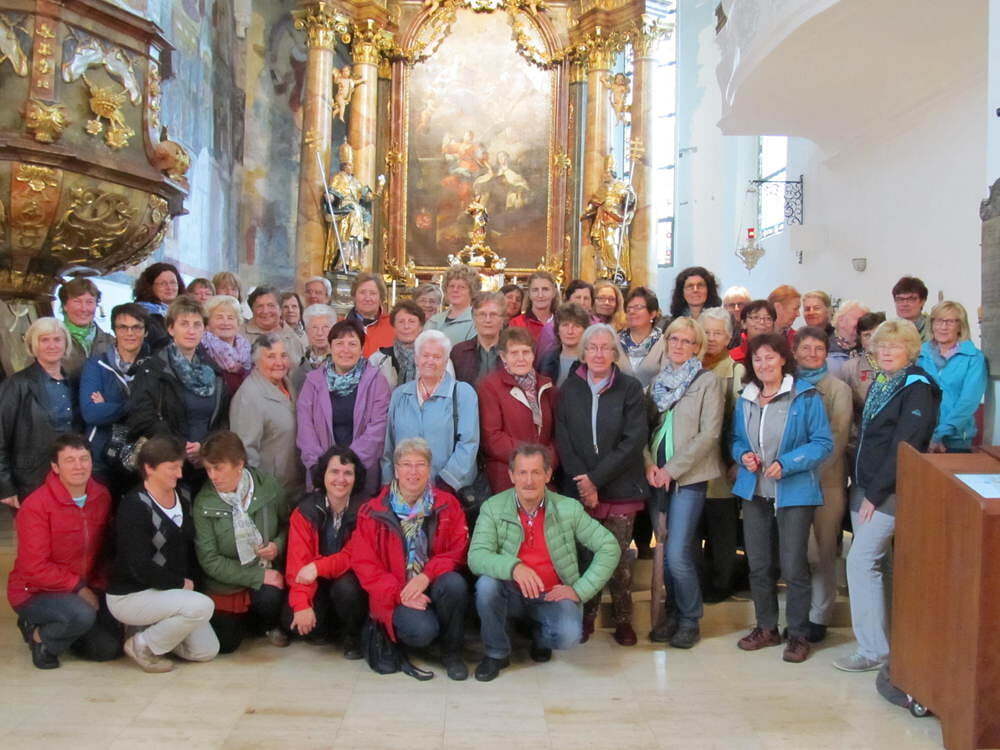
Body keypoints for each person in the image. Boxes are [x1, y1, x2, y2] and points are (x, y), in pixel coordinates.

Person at [833, 320, 939, 672]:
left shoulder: (917, 387)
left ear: (911, 350)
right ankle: (890, 644)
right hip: (864, 485)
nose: (887, 352)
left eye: (895, 346)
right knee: (878, 565)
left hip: (889, 490)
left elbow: (904, 446)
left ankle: (873, 650)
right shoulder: (883, 381)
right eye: (881, 346)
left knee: (860, 561)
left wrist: (875, 494)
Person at [469, 444, 620, 681]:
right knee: (487, 586)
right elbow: (476, 557)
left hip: (551, 595)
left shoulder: (568, 508)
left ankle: (538, 637)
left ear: (548, 475)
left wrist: (579, 590)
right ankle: (496, 653)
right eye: (522, 472)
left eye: (536, 472)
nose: (529, 481)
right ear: (511, 476)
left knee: (569, 635)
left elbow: (609, 547)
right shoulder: (493, 507)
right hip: (510, 594)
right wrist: (514, 567)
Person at [731, 333, 833, 664]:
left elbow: (823, 443)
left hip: (794, 491)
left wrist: (788, 463)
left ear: (783, 359)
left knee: (793, 566)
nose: (763, 364)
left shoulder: (805, 396)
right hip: (755, 491)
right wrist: (743, 455)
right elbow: (735, 440)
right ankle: (766, 628)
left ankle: (798, 633)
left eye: (769, 357)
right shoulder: (746, 397)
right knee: (759, 564)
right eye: (757, 359)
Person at [554, 323, 648, 646]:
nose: (598, 353)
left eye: (605, 347)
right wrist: (584, 482)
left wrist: (596, 479)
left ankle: (623, 619)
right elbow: (564, 438)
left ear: (614, 353)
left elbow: (633, 440)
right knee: (586, 556)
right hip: (580, 488)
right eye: (592, 347)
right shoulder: (569, 388)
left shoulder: (630, 388)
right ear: (583, 352)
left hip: (620, 487)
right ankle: (587, 617)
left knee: (617, 558)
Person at [352, 437, 470, 680]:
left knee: (454, 584)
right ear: (396, 470)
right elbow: (366, 566)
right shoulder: (373, 511)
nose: (413, 472)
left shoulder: (448, 504)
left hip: (431, 583)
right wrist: (400, 593)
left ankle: (452, 653)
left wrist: (426, 576)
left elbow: (458, 550)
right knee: (423, 631)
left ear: (429, 469)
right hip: (394, 593)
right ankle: (407, 635)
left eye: (420, 465)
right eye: (406, 465)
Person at [7, 435, 120, 669]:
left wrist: (98, 586)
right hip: (34, 592)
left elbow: (103, 550)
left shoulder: (101, 496)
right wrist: (78, 588)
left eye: (84, 459)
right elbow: (34, 567)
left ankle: (66, 628)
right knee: (81, 615)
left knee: (107, 649)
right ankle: (40, 638)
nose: (79, 466)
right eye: (69, 460)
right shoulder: (36, 506)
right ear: (55, 467)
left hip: (83, 587)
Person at [107, 437, 219, 672]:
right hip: (132, 594)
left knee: (206, 650)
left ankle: (150, 631)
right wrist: (180, 583)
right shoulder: (134, 506)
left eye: (180, 467)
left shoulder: (184, 496)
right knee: (202, 606)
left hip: (169, 594)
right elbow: (139, 565)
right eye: (172, 468)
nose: (179, 474)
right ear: (149, 468)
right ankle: (141, 644)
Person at [644, 317, 724, 649]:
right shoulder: (656, 383)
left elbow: (709, 434)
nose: (679, 345)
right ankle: (673, 614)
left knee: (678, 552)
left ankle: (691, 618)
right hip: (656, 479)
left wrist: (672, 470)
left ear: (697, 347)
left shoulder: (707, 382)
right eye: (674, 339)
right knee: (664, 549)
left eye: (687, 341)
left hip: (688, 478)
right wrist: (649, 465)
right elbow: (641, 430)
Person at [194, 431, 291, 653]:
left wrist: (277, 545)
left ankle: (268, 624)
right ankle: (246, 623)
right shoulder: (204, 502)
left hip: (265, 572)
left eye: (218, 468)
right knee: (226, 643)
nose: (212, 476)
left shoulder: (268, 487)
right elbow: (209, 560)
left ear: (239, 464)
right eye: (208, 469)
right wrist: (257, 576)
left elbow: (289, 525)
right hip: (226, 582)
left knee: (270, 597)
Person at [792, 327, 852, 644]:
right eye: (806, 348)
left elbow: (838, 437)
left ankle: (820, 615)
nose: (812, 354)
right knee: (799, 551)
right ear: (795, 352)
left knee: (824, 549)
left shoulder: (838, 389)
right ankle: (799, 613)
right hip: (791, 482)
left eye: (818, 349)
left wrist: (807, 470)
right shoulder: (788, 385)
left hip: (825, 481)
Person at [128, 296, 228, 482]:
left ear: (204, 329)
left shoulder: (214, 371)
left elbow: (221, 421)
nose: (191, 330)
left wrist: (205, 447)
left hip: (206, 463)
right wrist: (182, 445)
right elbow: (141, 418)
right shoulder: (153, 369)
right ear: (171, 328)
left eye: (197, 325)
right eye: (184, 324)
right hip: (166, 462)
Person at [284, 446, 368, 659]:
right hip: (317, 584)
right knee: (293, 618)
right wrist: (301, 605)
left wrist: (317, 566)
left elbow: (353, 556)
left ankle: (353, 636)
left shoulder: (366, 511)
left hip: (350, 584)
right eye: (334, 472)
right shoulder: (304, 511)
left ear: (356, 478)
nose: (341, 479)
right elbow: (297, 564)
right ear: (323, 475)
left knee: (347, 589)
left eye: (348, 473)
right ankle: (325, 629)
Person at [297, 320, 390, 498]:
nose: (345, 350)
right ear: (330, 347)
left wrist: (350, 464)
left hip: (362, 470)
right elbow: (305, 427)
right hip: (322, 473)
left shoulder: (377, 381)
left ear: (362, 349)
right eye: (339, 343)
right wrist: (321, 466)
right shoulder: (313, 382)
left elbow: (378, 427)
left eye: (352, 344)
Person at [382, 330, 479, 496]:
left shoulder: (463, 393)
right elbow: (389, 445)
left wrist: (447, 482)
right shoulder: (400, 395)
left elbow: (469, 443)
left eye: (437, 357)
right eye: (425, 355)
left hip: (448, 490)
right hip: (404, 490)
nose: (430, 361)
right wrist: (388, 484)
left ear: (446, 361)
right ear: (416, 358)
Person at [0, 318, 81, 508]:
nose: (52, 345)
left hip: (70, 478)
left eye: (57, 339)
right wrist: (5, 486)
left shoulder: (73, 383)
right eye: (44, 340)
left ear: (66, 344)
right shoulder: (17, 384)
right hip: (32, 481)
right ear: (33, 345)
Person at [698, 307, 745, 602]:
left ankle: (720, 585)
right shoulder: (688, 366)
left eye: (718, 333)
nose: (712, 338)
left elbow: (740, 419)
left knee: (721, 529)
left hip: (721, 464)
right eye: (707, 332)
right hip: (691, 466)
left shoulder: (736, 371)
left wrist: (737, 460)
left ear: (729, 337)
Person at [80, 303, 149, 492]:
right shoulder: (96, 364)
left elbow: (155, 411)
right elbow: (91, 413)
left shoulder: (155, 365)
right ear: (114, 331)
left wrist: (109, 405)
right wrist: (132, 406)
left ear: (146, 332)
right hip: (101, 456)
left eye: (136, 327)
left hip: (141, 455)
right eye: (123, 327)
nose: (130, 333)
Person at [478, 327, 556, 494]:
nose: (521, 358)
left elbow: (557, 434)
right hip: (507, 477)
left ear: (533, 355)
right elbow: (492, 438)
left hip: (543, 475)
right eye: (514, 353)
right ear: (503, 356)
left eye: (526, 352)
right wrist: (531, 459)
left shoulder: (546, 386)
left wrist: (548, 461)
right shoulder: (490, 386)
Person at [230, 334, 303, 491]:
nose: (279, 363)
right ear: (256, 361)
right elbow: (246, 450)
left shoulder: (288, 384)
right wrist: (260, 489)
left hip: (294, 484)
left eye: (283, 355)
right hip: (270, 489)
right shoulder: (248, 396)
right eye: (271, 356)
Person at [917, 300, 988, 453]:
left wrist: (940, 434)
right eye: (938, 321)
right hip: (920, 436)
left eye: (950, 322)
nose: (943, 327)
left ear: (960, 326)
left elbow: (968, 401)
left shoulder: (974, 358)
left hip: (956, 440)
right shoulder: (919, 354)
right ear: (932, 324)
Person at [59, 278, 114, 377]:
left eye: (89, 302)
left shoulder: (111, 342)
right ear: (64, 306)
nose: (84, 309)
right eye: (77, 301)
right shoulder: (51, 339)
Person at [200, 295, 252, 397]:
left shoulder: (248, 350)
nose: (225, 322)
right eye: (219, 317)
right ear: (208, 324)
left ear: (238, 323)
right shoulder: (201, 350)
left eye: (230, 318)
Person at [241, 286, 306, 365]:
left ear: (280, 309)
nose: (265, 311)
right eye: (260, 306)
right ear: (252, 310)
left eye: (271, 305)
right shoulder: (238, 335)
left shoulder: (293, 338)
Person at [618, 286, 667, 388]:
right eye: (629, 308)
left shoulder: (664, 343)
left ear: (652, 314)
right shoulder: (615, 341)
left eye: (638, 307)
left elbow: (667, 379)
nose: (632, 312)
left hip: (653, 397)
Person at [838, 311, 886, 417]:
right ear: (860, 339)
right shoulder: (850, 368)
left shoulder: (897, 363)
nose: (873, 339)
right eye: (867, 335)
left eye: (877, 334)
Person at [451, 292, 504, 385]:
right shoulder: (459, 352)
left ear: (502, 320)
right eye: (482, 314)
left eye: (493, 314)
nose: (488, 320)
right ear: (474, 319)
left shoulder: (513, 351)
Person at [134, 262, 186, 351]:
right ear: (149, 286)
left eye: (173, 283)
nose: (169, 287)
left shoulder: (185, 312)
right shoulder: (143, 314)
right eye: (163, 283)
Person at [343, 272, 395, 357]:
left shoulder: (393, 325)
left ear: (381, 298)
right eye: (362, 292)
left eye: (373, 293)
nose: (367, 298)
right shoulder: (340, 326)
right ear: (354, 296)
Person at [537, 302, 589, 387]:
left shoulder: (591, 361)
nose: (570, 331)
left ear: (585, 331)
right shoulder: (546, 359)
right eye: (565, 325)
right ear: (557, 330)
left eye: (576, 326)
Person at [427, 265, 480, 346]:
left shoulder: (477, 322)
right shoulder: (434, 320)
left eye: (461, 287)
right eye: (451, 286)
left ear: (471, 291)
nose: (455, 290)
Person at [292, 303, 337, 391]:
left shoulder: (341, 363)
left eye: (325, 327)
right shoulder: (299, 367)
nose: (319, 333)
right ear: (307, 331)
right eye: (314, 328)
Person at [509, 271, 558, 342]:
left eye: (545, 289)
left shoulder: (561, 322)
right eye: (535, 290)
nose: (540, 295)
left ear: (554, 293)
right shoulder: (517, 323)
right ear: (529, 294)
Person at [826, 300, 870, 378]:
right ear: (841, 321)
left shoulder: (869, 349)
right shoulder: (825, 350)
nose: (864, 324)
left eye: (866, 320)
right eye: (860, 319)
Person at [730, 299, 776, 364]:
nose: (762, 322)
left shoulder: (780, 355)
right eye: (756, 317)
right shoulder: (731, 358)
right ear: (743, 323)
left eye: (768, 318)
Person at [891, 276, 931, 342]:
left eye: (911, 299)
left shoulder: (934, 329)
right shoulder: (889, 329)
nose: (905, 304)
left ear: (922, 301)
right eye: (900, 299)